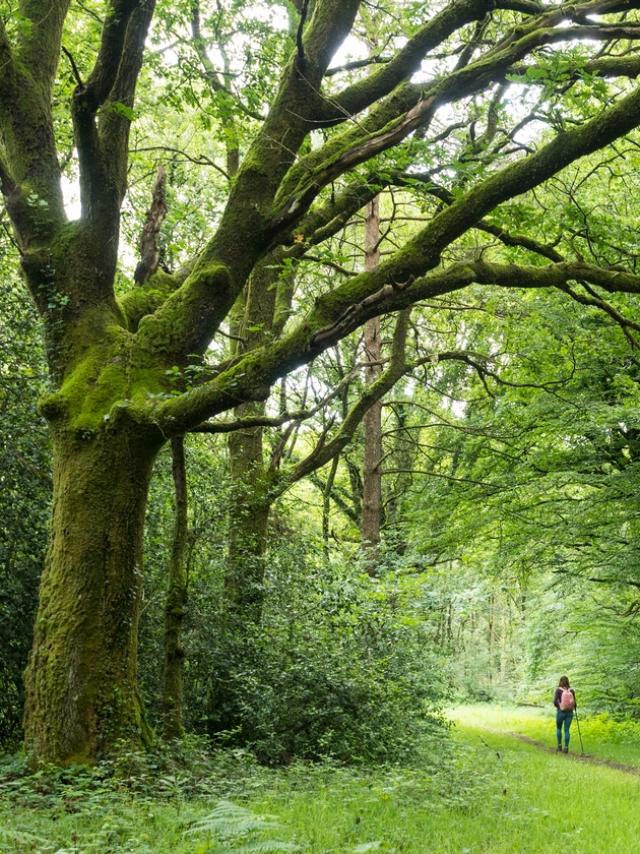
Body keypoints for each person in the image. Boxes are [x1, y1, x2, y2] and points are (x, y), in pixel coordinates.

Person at [553, 675, 576, 753]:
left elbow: (555, 702)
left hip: (561, 712)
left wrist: (560, 707)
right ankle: (566, 747)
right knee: (567, 730)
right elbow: (574, 703)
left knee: (559, 728)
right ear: (568, 682)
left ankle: (559, 746)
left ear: (560, 681)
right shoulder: (571, 690)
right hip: (569, 713)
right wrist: (574, 708)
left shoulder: (558, 690)